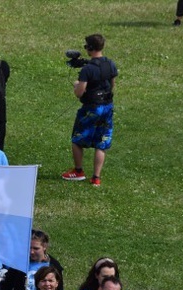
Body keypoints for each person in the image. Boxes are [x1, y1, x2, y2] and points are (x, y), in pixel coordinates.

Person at [61, 34, 118, 187]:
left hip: (91, 108)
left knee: (77, 139)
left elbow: (80, 93)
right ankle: (96, 178)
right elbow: (112, 85)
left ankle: (78, 171)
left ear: (90, 48)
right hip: (107, 106)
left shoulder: (88, 69)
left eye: (86, 46)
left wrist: (76, 85)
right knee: (101, 143)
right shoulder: (110, 64)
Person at [1, 229, 65, 290]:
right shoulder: (19, 262)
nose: (31, 252)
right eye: (29, 248)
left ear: (44, 247)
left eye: (36, 248)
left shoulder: (54, 265)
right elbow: (6, 287)